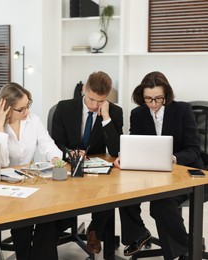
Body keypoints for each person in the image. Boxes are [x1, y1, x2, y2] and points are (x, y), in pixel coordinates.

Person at [113, 71, 206, 260]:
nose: (153, 104)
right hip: (152, 175)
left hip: (184, 174)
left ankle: (185, 250)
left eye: (158, 99)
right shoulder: (138, 113)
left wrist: (172, 158)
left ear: (166, 95)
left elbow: (194, 150)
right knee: (123, 191)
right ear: (141, 96)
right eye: (148, 99)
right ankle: (138, 234)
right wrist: (124, 155)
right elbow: (135, 142)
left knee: (160, 204)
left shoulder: (182, 110)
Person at [0, 82, 64, 260]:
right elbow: (2, 162)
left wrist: (55, 158)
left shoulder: (33, 120)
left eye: (28, 105)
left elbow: (47, 144)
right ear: (5, 108)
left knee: (48, 217)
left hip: (30, 181)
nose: (26, 112)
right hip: (4, 187)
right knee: (23, 223)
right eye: (21, 109)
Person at [52, 71, 123, 254]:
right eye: (91, 99)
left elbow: (115, 150)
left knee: (109, 191)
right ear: (84, 89)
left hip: (95, 168)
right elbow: (55, 142)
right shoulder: (64, 107)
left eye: (100, 101)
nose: (94, 105)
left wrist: (106, 118)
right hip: (68, 166)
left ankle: (95, 231)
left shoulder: (115, 112)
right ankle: (57, 229)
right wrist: (70, 153)